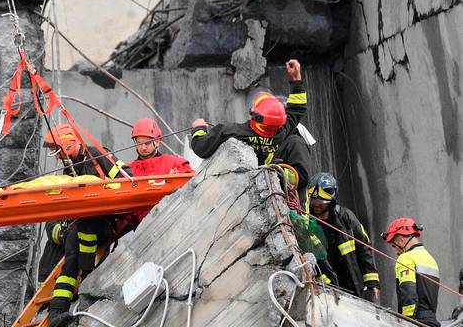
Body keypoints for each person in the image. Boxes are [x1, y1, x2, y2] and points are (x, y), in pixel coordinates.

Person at [39, 124, 132, 323]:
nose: (56, 156)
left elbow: (127, 176)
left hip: (105, 222)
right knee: (73, 244)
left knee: (83, 232)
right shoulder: (70, 167)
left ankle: (86, 287)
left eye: (57, 151)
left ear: (68, 145)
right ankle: (57, 310)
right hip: (83, 224)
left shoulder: (97, 156)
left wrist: (105, 194)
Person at [190, 59, 311, 197]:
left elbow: (201, 147)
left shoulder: (231, 132)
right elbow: (297, 110)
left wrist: (198, 128)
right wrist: (296, 78)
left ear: (255, 115)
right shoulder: (281, 133)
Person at [308, 172, 381, 302]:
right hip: (325, 288)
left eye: (321, 202)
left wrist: (371, 281)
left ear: (332, 201)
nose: (316, 205)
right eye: (313, 201)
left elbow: (363, 247)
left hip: (352, 283)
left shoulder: (346, 218)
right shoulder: (306, 221)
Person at [128, 118, 195, 224]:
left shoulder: (174, 164)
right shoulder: (127, 170)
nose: (143, 147)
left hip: (172, 222)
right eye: (139, 143)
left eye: (147, 143)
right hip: (138, 229)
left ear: (158, 141)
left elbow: (193, 185)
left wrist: (176, 181)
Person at [381, 217, 441, 327]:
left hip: (416, 322)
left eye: (394, 245)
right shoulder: (430, 259)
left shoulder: (405, 258)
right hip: (432, 323)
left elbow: (408, 291)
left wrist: (407, 321)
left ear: (401, 241)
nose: (396, 251)